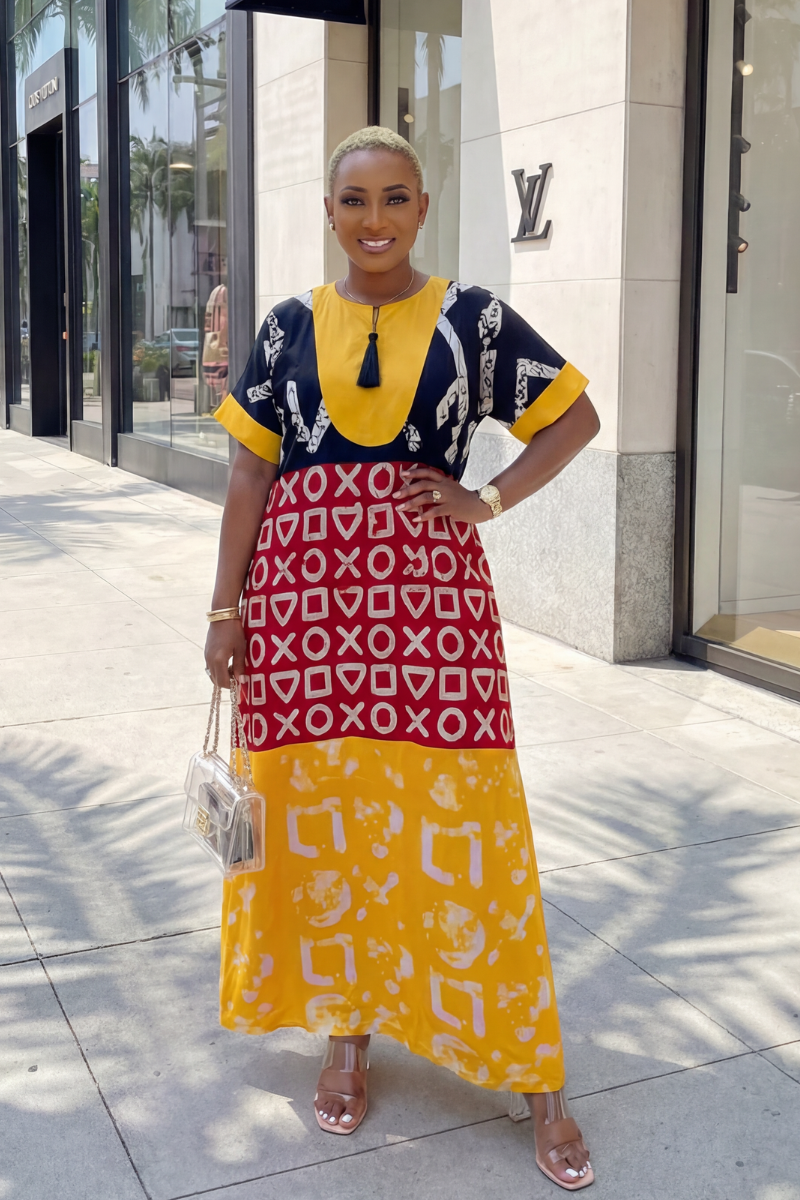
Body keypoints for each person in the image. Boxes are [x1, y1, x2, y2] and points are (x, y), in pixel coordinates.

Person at [205, 126, 600, 1191]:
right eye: (351, 200)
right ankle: (346, 1037)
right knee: (323, 822)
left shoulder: (473, 320)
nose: (371, 219)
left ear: (422, 207)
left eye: (392, 198)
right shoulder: (286, 324)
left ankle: (534, 1073)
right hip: (301, 613)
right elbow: (249, 475)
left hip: (431, 611)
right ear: (327, 212)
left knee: (469, 818)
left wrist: (487, 499)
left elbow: (574, 417)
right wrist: (223, 609)